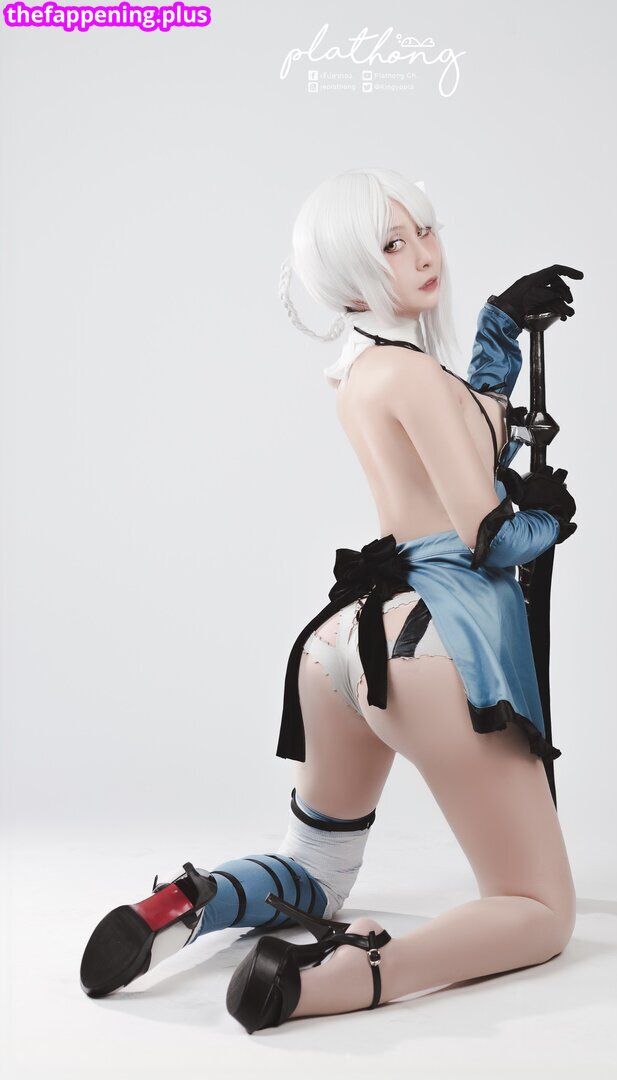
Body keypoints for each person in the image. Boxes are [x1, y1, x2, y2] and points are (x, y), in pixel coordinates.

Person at [80, 167, 582, 1035]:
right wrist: (550, 516)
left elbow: (473, 426)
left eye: (424, 230)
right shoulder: (416, 380)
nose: (423, 253)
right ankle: (345, 976)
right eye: (391, 243)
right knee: (539, 909)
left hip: (345, 643)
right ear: (348, 269)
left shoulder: (363, 373)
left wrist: (500, 324)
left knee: (315, 869)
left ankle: (195, 902)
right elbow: (489, 536)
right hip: (433, 645)